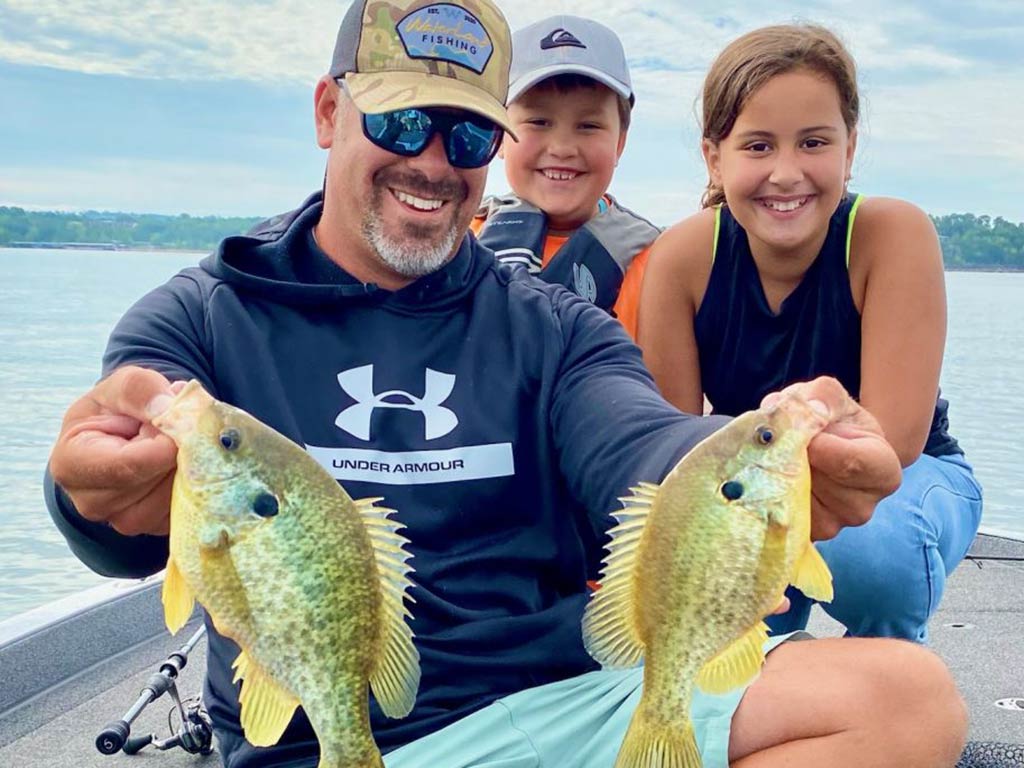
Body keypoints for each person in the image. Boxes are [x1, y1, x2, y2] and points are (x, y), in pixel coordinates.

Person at [45, 2, 966, 767]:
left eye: (469, 132)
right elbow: (121, 524)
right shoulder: (201, 319)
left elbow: (640, 441)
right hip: (336, 740)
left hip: (568, 703)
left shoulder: (552, 324)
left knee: (906, 701)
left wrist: (764, 455)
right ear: (329, 112)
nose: (435, 160)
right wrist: (85, 494)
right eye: (402, 122)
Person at [638, 24, 983, 644]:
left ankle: (893, 669)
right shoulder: (683, 257)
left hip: (905, 481)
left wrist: (777, 511)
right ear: (715, 157)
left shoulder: (891, 235)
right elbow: (675, 447)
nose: (787, 173)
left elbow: (893, 446)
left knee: (877, 550)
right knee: (704, 552)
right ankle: (760, 669)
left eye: (814, 142)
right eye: (759, 146)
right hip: (758, 480)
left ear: (850, 149)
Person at [471, 15, 658, 339]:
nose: (562, 148)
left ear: (620, 144)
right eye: (539, 122)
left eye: (588, 125)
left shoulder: (656, 265)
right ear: (498, 136)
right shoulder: (461, 240)